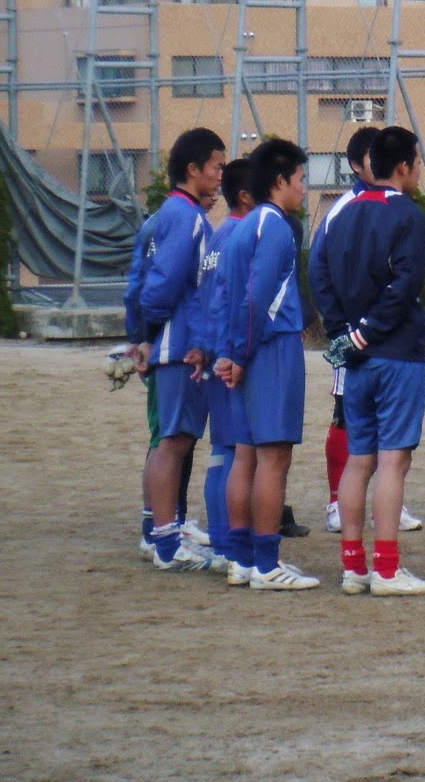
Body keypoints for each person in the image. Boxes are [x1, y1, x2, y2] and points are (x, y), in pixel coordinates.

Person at [310, 126, 425, 597]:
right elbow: (405, 284)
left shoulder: (341, 213)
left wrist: (343, 333)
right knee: (393, 460)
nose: (418, 171)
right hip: (395, 352)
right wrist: (367, 332)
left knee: (359, 459)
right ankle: (387, 569)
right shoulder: (407, 213)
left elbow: (319, 275)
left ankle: (353, 567)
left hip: (355, 359)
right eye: (417, 163)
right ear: (403, 166)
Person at [213, 138, 318, 590]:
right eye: (301, 180)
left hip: (244, 346)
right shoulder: (274, 227)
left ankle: (240, 559)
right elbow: (260, 298)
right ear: (279, 181)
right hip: (270, 348)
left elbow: (225, 296)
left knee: (245, 454)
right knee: (274, 458)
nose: (304, 190)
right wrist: (239, 354)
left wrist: (229, 351)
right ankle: (266, 564)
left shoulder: (241, 226)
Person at [125, 126, 224, 572]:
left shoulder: (169, 213)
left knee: (169, 441)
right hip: (179, 348)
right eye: (216, 167)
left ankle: (158, 533)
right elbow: (161, 285)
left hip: (172, 344)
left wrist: (144, 336)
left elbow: (145, 283)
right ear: (193, 169)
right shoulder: (186, 217)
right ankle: (167, 543)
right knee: (174, 442)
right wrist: (152, 337)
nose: (220, 175)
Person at [197, 156, 253, 573]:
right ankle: (231, 545)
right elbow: (231, 302)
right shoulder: (241, 236)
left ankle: (220, 540)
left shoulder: (218, 235)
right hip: (228, 355)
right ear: (248, 196)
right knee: (235, 450)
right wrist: (231, 352)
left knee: (222, 450)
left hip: (214, 351)